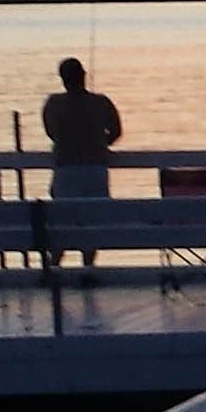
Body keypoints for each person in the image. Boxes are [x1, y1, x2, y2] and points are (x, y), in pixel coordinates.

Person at [38, 58, 123, 268]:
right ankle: (88, 268)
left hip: (65, 168)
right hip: (94, 168)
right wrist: (100, 143)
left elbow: (51, 132)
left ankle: (55, 267)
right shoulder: (101, 102)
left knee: (62, 220)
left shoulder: (53, 103)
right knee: (92, 221)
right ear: (83, 76)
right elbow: (117, 131)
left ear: (63, 80)